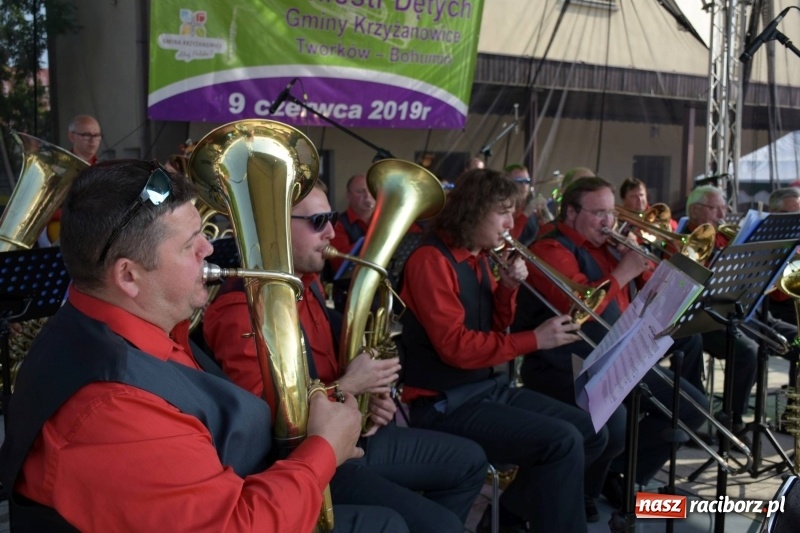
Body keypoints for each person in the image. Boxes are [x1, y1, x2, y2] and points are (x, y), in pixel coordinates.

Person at [0, 160, 407, 532]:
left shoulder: (129, 324)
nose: (209, 248)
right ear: (128, 276)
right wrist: (324, 449)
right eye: (189, 244)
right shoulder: (111, 407)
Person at [203, 180, 488, 533]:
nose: (331, 233)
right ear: (272, 228)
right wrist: (350, 384)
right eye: (318, 221)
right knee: (439, 524)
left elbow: (332, 370)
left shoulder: (307, 284)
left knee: (470, 462)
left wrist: (369, 397)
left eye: (332, 219)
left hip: (349, 435)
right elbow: (264, 423)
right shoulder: (241, 309)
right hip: (306, 459)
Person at [399, 168, 610, 533]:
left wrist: (507, 289)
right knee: (561, 441)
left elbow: (495, 329)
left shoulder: (480, 256)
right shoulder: (431, 260)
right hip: (443, 402)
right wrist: (535, 339)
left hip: (483, 388)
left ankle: (508, 514)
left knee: (593, 430)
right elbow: (457, 349)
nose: (512, 224)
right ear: (473, 212)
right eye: (503, 213)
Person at [517, 176, 708, 509]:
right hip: (566, 361)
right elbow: (578, 308)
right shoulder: (550, 249)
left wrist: (640, 266)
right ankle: (585, 486)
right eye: (599, 213)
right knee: (614, 418)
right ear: (572, 212)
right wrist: (622, 272)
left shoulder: (608, 247)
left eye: (611, 213)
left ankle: (615, 473)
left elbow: (653, 297)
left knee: (692, 408)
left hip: (615, 354)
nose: (608, 222)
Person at [685, 185, 798, 431]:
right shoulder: (686, 238)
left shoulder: (725, 236)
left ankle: (793, 415)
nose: (721, 215)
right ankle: (732, 422)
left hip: (754, 314)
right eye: (714, 208)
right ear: (694, 210)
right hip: (709, 318)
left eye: (723, 208)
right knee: (748, 352)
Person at [327, 173, 376, 310]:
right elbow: (338, 262)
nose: (367, 196)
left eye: (371, 191)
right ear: (349, 196)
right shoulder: (338, 224)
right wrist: (373, 239)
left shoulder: (381, 220)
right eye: (360, 191)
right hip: (350, 293)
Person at [504, 164, 539, 246]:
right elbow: (507, 240)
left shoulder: (526, 204)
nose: (524, 186)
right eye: (519, 181)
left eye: (527, 181)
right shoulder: (503, 207)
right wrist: (525, 214)